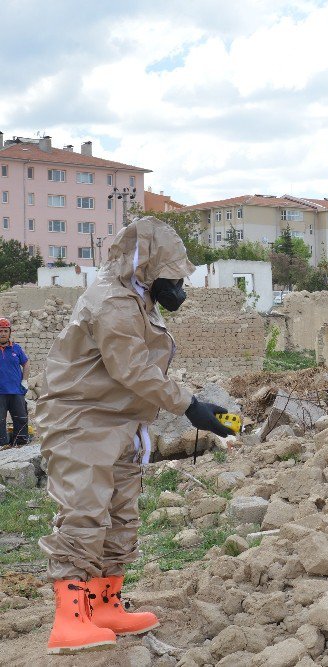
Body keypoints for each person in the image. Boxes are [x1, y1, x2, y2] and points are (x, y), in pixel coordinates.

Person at [36, 216, 236, 654]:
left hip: (120, 421)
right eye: (173, 278)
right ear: (146, 265)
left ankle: (105, 604)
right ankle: (69, 621)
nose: (179, 290)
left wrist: (192, 404)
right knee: (84, 512)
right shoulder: (112, 302)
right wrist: (189, 405)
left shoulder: (136, 298)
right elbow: (133, 369)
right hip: (81, 420)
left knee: (121, 513)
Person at [0, 318, 30, 448]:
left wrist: (25, 380)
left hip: (16, 391)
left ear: (10, 332)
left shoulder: (16, 349)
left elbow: (26, 363)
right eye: (0, 331)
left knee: (21, 418)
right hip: (0, 392)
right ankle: (3, 444)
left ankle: (20, 443)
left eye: (5, 331)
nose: (2, 333)